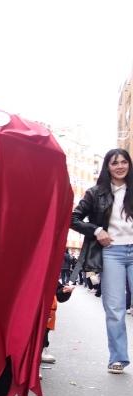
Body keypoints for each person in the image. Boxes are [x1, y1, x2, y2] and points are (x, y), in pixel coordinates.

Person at [71, 149, 133, 374]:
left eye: (124, 162)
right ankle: (118, 357)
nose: (120, 166)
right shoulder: (95, 193)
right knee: (115, 309)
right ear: (107, 166)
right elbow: (73, 218)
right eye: (114, 163)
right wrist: (97, 230)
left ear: (129, 164)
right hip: (111, 254)